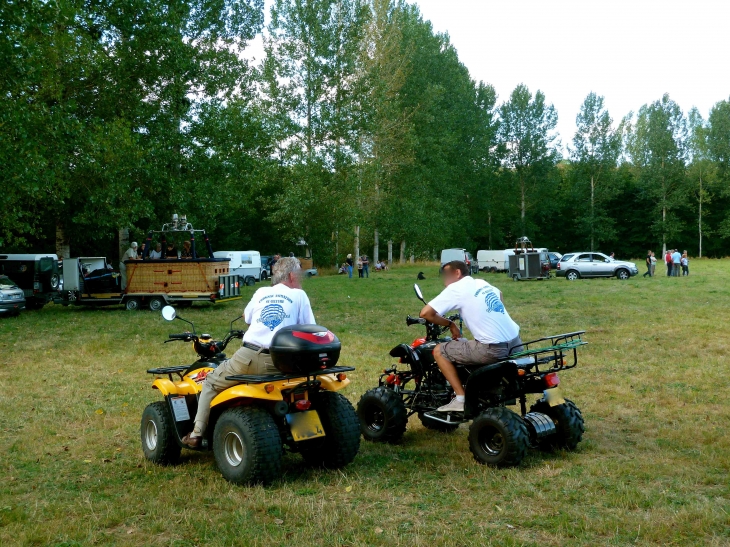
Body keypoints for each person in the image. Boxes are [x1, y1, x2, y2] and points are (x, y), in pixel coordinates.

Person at [182, 257, 316, 448]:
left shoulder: (261, 291)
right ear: (292, 275)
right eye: (300, 275)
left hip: (252, 356)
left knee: (210, 382)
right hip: (287, 362)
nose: (301, 278)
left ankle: (196, 434)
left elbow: (247, 317)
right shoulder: (300, 296)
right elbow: (309, 327)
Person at [419, 260, 522, 413]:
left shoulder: (456, 288)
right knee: (468, 343)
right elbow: (499, 294)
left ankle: (461, 399)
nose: (444, 281)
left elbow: (425, 313)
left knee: (439, 351)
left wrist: (450, 324)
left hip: (493, 349)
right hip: (516, 343)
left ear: (457, 273)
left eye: (446, 275)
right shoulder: (480, 282)